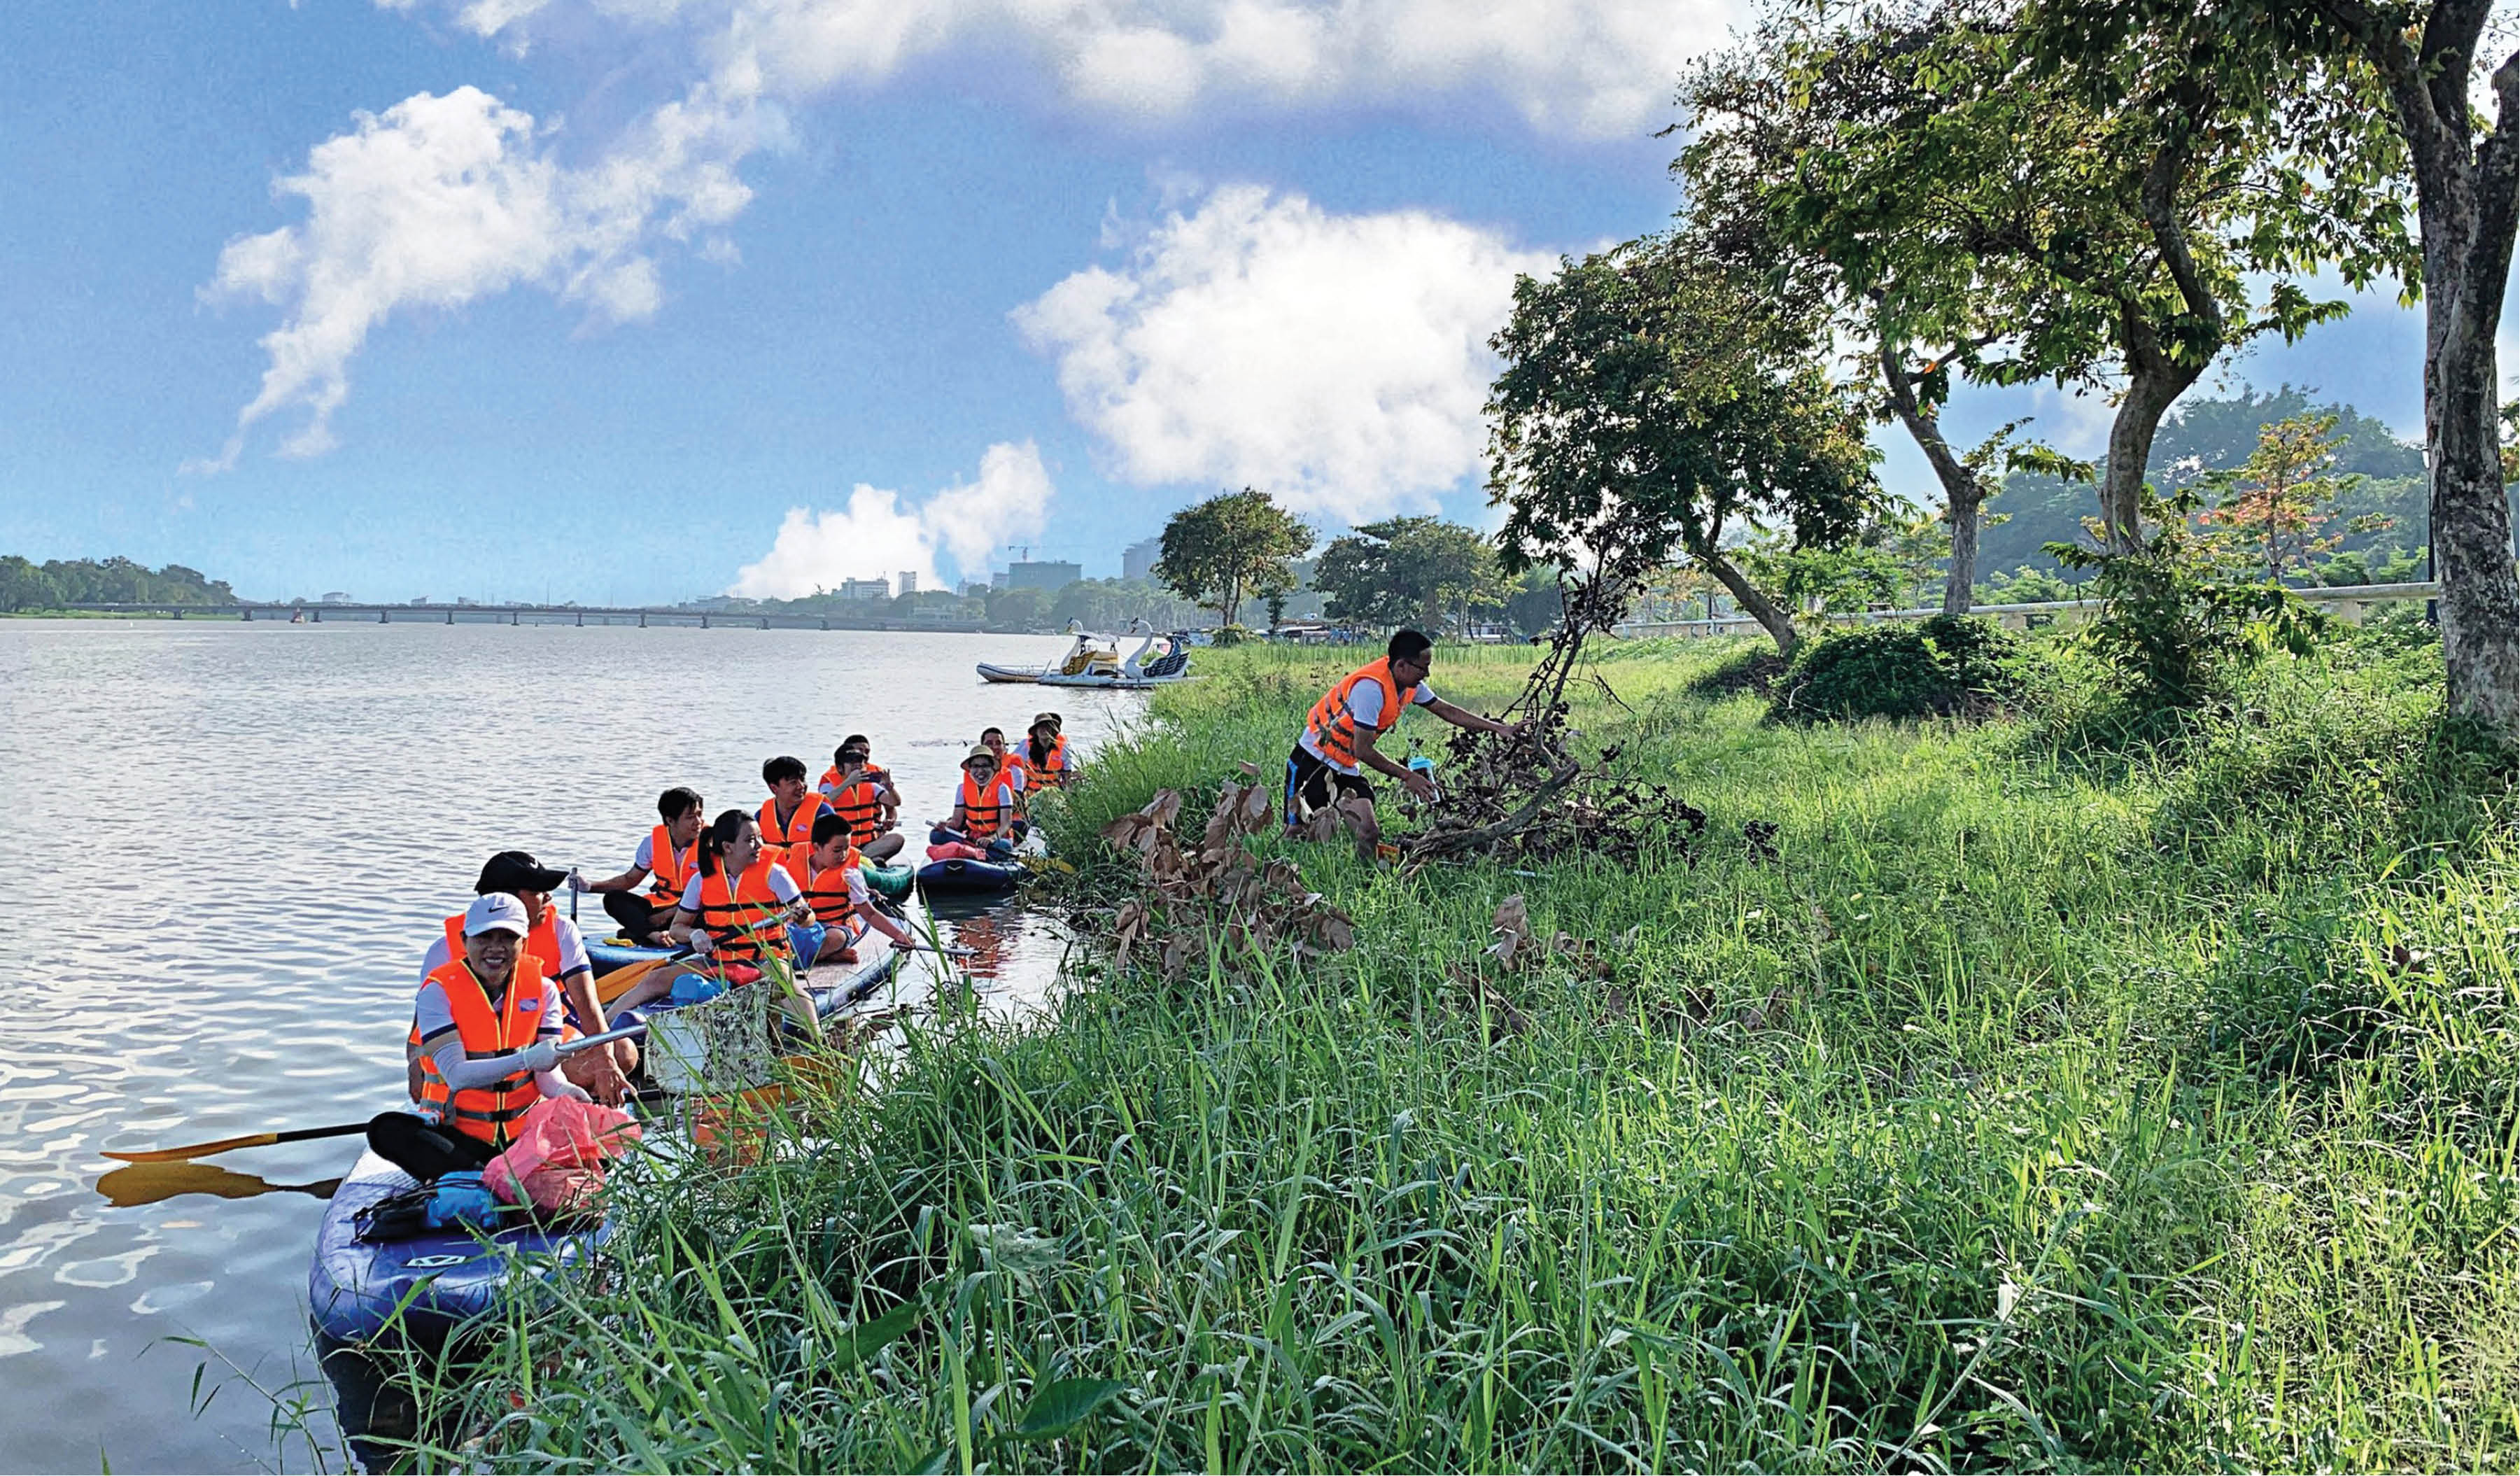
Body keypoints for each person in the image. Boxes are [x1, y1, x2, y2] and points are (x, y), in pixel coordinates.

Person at [369, 892, 590, 1183]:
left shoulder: (544, 990)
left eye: (507, 938)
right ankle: (491, 1179)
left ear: (523, 943)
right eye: (484, 938)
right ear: (465, 941)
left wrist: (568, 1093)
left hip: (522, 1137)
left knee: (594, 1144)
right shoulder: (437, 992)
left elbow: (547, 1078)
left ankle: (486, 1180)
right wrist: (526, 1059)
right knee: (385, 1129)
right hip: (458, 1135)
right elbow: (458, 1075)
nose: (495, 949)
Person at [418, 852, 634, 1106]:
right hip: (468, 1053)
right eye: (537, 892)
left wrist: (603, 1064)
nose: (548, 898)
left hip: (541, 1039)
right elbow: (427, 1034)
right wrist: (415, 1065)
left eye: (509, 939)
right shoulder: (441, 955)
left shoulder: (550, 966)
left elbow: (587, 1004)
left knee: (623, 1051)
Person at [1285, 629, 1523, 851]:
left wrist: (1499, 728)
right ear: (1401, 665)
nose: (1427, 674)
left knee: (1368, 831)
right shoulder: (1370, 690)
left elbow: (1446, 710)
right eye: (1423, 668)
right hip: (1312, 761)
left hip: (1346, 768)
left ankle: (1366, 881)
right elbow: (1364, 750)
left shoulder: (1409, 685)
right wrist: (1408, 776)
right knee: (1297, 832)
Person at [607, 809, 818, 1013]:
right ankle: (597, 1033)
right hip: (719, 959)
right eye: (750, 840)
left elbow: (809, 919)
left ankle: (817, 1042)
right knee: (655, 980)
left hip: (766, 960)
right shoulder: (701, 879)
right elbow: (677, 929)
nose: (760, 845)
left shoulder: (775, 874)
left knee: (789, 988)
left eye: (760, 837)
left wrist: (803, 917)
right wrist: (695, 934)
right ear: (728, 847)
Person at [573, 787, 704, 946]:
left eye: (699, 815)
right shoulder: (652, 843)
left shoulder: (711, 843)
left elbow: (719, 891)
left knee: (709, 912)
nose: (698, 822)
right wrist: (589, 886)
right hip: (662, 906)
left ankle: (640, 932)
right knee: (614, 899)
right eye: (690, 817)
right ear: (670, 820)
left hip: (694, 911)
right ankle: (652, 935)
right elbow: (630, 880)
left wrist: (668, 915)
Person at [787, 811, 917, 964]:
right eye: (837, 850)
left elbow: (870, 914)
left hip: (833, 928)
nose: (843, 855)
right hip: (799, 926)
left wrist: (898, 935)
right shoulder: (793, 861)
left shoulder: (850, 874)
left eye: (847, 848)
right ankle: (826, 957)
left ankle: (802, 959)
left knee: (836, 938)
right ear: (817, 848)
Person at [817, 736, 906, 862]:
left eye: (861, 762)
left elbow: (895, 802)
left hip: (867, 843)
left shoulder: (869, 782)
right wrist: (848, 783)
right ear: (841, 767)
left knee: (897, 839)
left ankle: (863, 860)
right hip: (841, 846)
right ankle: (866, 861)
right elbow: (823, 803)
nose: (858, 766)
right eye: (852, 762)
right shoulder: (829, 782)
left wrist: (889, 788)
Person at [932, 745, 1024, 860]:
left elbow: (1006, 824)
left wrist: (992, 839)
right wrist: (944, 825)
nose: (980, 771)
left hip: (996, 839)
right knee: (935, 835)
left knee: (1003, 847)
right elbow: (956, 822)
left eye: (985, 766)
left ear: (993, 769)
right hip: (971, 838)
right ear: (970, 770)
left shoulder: (1002, 789)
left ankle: (968, 852)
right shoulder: (962, 789)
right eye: (976, 766)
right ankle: (973, 851)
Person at [756, 755, 830, 852]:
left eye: (803, 779)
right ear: (774, 788)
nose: (801, 786)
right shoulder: (760, 817)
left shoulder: (822, 812)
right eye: (793, 782)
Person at [1020, 712, 1073, 790]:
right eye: (1041, 727)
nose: (1044, 730)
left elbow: (1067, 775)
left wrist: (1069, 794)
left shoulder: (1063, 748)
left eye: (1047, 727)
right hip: (1031, 793)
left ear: (1052, 730)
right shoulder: (1025, 746)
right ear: (1036, 732)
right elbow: (1014, 767)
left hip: (1055, 793)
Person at [980, 726, 1029, 798]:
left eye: (998, 743)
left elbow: (1016, 804)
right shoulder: (974, 771)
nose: (995, 746)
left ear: (1004, 748)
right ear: (982, 748)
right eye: (989, 743)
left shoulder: (1015, 772)